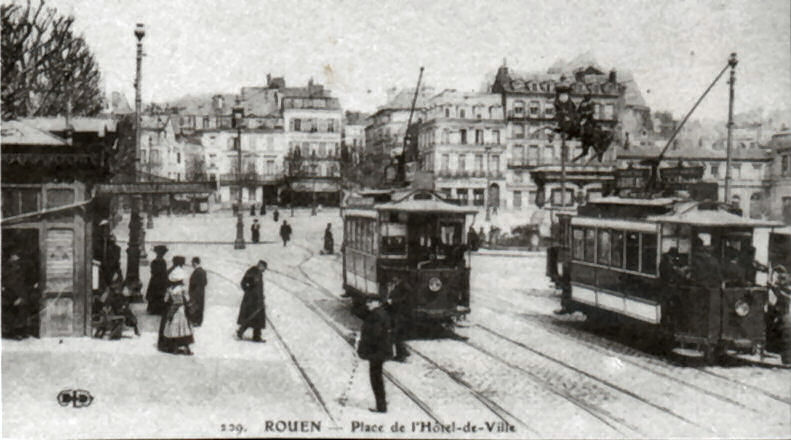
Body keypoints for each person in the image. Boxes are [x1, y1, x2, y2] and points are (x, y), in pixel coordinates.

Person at [357, 298, 394, 413]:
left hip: (376, 352)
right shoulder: (381, 313)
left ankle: (381, 406)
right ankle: (381, 403)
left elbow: (375, 335)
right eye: (367, 301)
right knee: (377, 377)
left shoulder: (376, 316)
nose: (367, 304)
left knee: (375, 379)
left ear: (377, 303)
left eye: (370, 302)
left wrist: (363, 345)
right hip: (381, 350)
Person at [162, 266, 194, 355]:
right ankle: (187, 348)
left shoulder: (170, 289)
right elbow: (187, 299)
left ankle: (175, 348)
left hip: (173, 310)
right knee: (184, 328)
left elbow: (165, 300)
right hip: (181, 310)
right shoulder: (183, 288)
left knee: (174, 328)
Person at [158, 255, 185, 351]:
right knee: (173, 325)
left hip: (169, 299)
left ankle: (164, 343)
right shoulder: (176, 272)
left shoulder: (171, 270)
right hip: (172, 301)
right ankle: (170, 345)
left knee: (167, 324)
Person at [237, 260, 268, 342]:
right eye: (264, 268)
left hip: (258, 299)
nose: (264, 270)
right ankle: (241, 331)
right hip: (252, 300)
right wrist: (249, 292)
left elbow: (259, 287)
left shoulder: (259, 273)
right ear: (260, 265)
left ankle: (256, 336)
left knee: (258, 318)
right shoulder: (252, 271)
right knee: (251, 316)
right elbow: (243, 283)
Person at [2, 254, 28, 339]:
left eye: (17, 258)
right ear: (10, 259)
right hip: (10, 295)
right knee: (12, 314)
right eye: (14, 257)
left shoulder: (20, 270)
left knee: (21, 313)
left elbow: (23, 283)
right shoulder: (6, 271)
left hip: (20, 294)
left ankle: (20, 332)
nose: (17, 259)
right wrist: (14, 297)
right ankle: (14, 333)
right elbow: (6, 284)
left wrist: (22, 296)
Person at [146, 245, 169, 315]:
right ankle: (159, 310)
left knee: (153, 294)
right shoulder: (163, 262)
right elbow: (164, 272)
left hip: (155, 280)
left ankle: (153, 309)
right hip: (161, 280)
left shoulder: (154, 261)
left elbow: (152, 271)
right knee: (160, 295)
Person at [188, 257, 208, 327]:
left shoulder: (197, 271)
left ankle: (194, 321)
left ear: (195, 263)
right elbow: (205, 282)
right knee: (200, 306)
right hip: (201, 292)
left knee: (194, 306)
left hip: (195, 292)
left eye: (192, 263)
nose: (191, 265)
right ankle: (199, 322)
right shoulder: (203, 271)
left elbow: (193, 282)